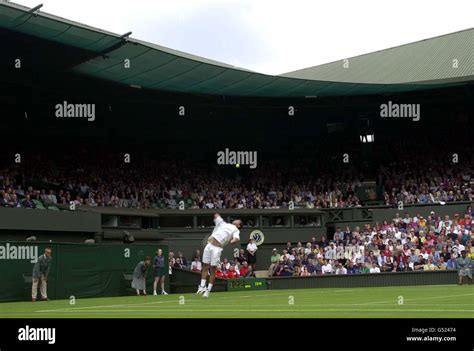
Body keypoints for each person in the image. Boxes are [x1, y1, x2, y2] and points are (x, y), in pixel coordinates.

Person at [197, 213, 241, 298]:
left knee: (213, 269)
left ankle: (208, 290)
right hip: (209, 245)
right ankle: (202, 286)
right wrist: (216, 215)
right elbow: (217, 216)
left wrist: (233, 241)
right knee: (205, 266)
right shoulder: (224, 224)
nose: (235, 220)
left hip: (217, 248)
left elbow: (236, 238)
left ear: (239, 225)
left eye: (238, 220)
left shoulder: (236, 230)